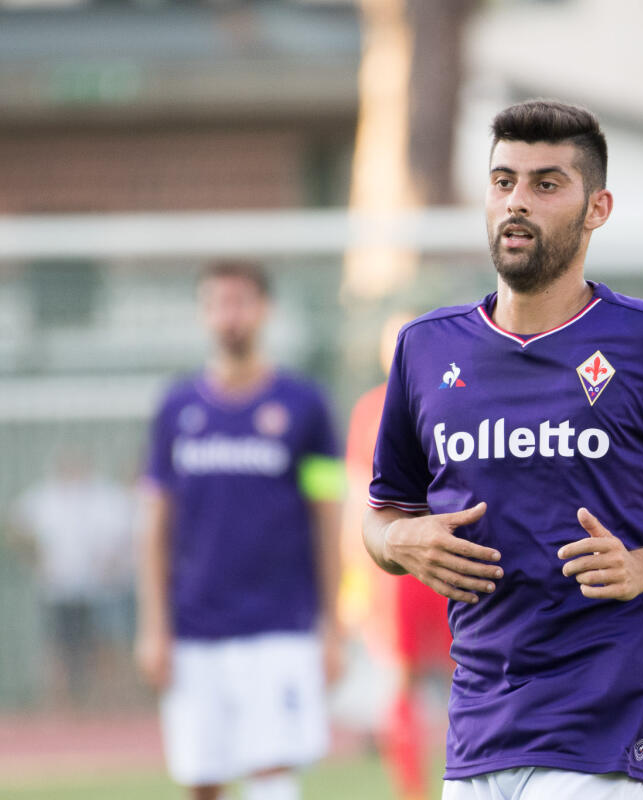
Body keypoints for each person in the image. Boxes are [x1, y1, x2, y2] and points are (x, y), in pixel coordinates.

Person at [362, 100, 643, 799]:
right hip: (474, 741)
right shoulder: (424, 348)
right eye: (503, 182)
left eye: (546, 184)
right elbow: (381, 520)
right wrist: (401, 539)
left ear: (598, 208)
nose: (517, 202)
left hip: (604, 738)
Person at [136, 260, 344, 800]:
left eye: (242, 302)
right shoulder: (176, 408)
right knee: (202, 779)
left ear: (265, 310)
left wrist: (333, 627)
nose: (231, 317)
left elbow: (328, 518)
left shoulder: (305, 406)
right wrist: (154, 626)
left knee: (272, 771)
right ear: (204, 314)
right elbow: (155, 525)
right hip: (195, 626)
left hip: (279, 624)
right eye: (219, 304)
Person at [342, 316, 454, 800]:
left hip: (446, 558)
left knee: (468, 668)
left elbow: (355, 503)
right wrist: (355, 580)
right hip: (402, 571)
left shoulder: (443, 397)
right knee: (409, 679)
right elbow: (357, 503)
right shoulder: (375, 409)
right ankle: (417, 790)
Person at [9, 449, 135, 709]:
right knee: (58, 648)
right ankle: (59, 706)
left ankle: (107, 704)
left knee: (104, 647)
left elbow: (126, 533)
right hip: (58, 588)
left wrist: (111, 563)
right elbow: (15, 527)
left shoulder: (103, 496)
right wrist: (35, 558)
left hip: (100, 589)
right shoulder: (45, 497)